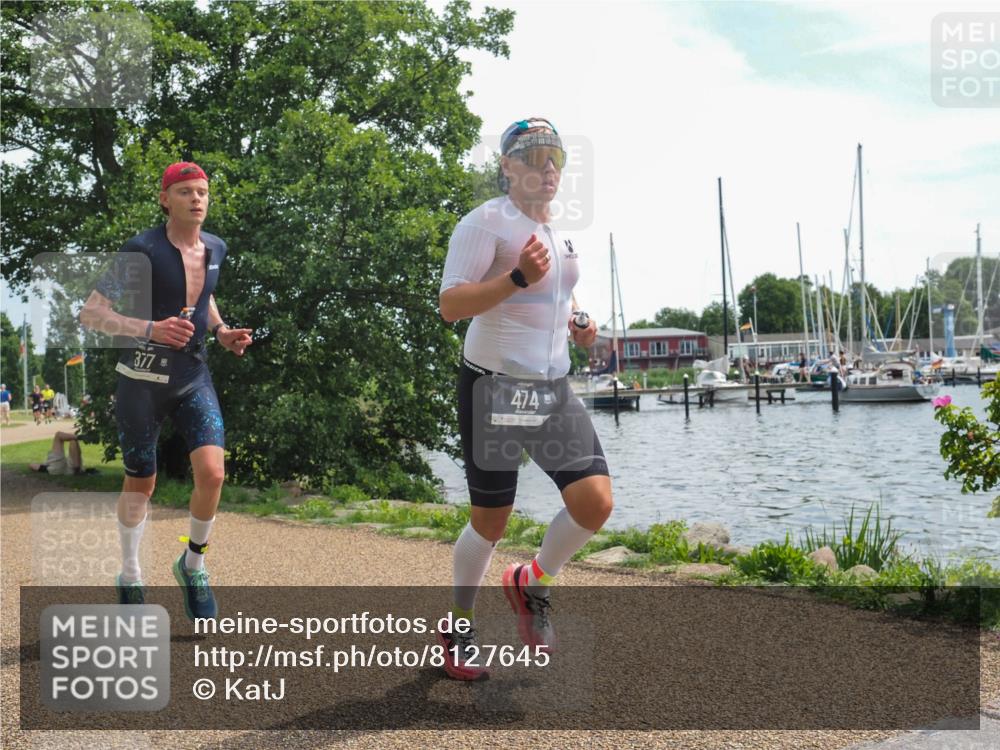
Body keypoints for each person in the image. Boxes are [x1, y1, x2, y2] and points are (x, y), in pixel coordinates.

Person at [438, 117, 613, 680]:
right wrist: (514, 279)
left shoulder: (558, 233)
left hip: (551, 387)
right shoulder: (483, 222)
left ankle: (531, 583)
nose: (549, 167)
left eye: (556, 157)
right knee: (492, 519)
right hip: (494, 387)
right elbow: (451, 305)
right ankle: (458, 625)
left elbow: (559, 297)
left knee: (595, 503)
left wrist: (580, 324)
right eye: (535, 157)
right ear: (508, 167)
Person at [80, 161, 253, 617]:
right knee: (142, 481)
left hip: (193, 373)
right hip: (141, 379)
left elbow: (205, 296)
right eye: (185, 192)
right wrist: (151, 328)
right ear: (165, 199)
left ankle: (193, 563)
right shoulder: (141, 249)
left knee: (213, 473)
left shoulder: (215, 247)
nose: (197, 199)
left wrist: (221, 332)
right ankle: (131, 574)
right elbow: (92, 313)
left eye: (202, 192)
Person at [29, 430, 95, 475]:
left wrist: (44, 468)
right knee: (59, 435)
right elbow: (32, 465)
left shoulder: (48, 465)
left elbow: (32, 465)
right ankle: (81, 437)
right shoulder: (49, 465)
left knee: (72, 440)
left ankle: (77, 471)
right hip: (60, 467)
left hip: (57, 468)